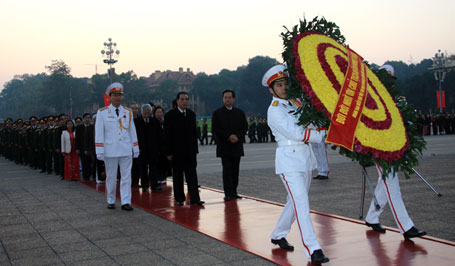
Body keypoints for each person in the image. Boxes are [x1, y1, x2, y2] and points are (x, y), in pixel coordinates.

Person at [263, 64, 329, 264]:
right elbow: (297, 134)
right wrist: (325, 134)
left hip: (305, 159)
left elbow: (310, 124)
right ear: (271, 89)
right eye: (279, 85)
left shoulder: (296, 102)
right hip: (289, 161)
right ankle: (313, 248)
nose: (284, 88)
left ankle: (278, 233)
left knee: (295, 201)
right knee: (302, 204)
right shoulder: (274, 110)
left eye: (285, 84)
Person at [365, 65, 426, 241]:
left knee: (385, 184)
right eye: (385, 80)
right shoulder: (371, 100)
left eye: (390, 81)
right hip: (379, 149)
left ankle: (372, 216)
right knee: (392, 186)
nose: (388, 84)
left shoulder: (396, 100)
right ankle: (406, 227)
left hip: (393, 147)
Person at [95, 82, 139, 211]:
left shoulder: (128, 112)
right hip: (110, 150)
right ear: (110, 96)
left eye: (120, 95)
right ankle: (111, 200)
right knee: (111, 177)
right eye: (115, 95)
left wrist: (135, 148)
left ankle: (126, 201)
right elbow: (99, 133)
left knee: (126, 177)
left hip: (125, 149)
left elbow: (132, 131)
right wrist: (100, 150)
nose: (118, 97)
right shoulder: (102, 113)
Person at [164, 91, 204, 206]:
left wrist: (195, 151)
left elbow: (193, 135)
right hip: (176, 152)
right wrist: (168, 152)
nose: (185, 101)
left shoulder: (191, 114)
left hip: (189, 152)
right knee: (178, 177)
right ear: (177, 101)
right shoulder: (170, 115)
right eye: (182, 99)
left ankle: (195, 199)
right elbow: (167, 135)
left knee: (192, 177)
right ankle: (179, 198)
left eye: (187, 99)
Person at [211, 89, 248, 201]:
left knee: (235, 171)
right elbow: (215, 129)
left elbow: (244, 127)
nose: (227, 99)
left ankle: (234, 192)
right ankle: (227, 193)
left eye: (229, 97)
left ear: (233, 99)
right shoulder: (217, 113)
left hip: (236, 146)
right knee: (227, 171)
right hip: (224, 146)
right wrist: (228, 136)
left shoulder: (240, 113)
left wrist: (237, 136)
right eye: (225, 97)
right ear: (223, 99)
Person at [134, 104, 163, 192]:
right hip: (141, 149)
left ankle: (154, 185)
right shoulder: (136, 122)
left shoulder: (155, 121)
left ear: (151, 112)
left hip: (153, 149)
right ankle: (144, 185)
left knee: (153, 167)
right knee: (143, 168)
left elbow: (160, 135)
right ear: (141, 112)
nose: (147, 114)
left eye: (148, 113)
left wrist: (159, 148)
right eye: (145, 113)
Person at [76, 113, 96, 181]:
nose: (87, 119)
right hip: (81, 147)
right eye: (86, 118)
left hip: (90, 148)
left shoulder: (92, 127)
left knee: (91, 162)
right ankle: (85, 176)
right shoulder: (79, 127)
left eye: (89, 118)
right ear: (83, 119)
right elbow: (77, 138)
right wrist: (77, 148)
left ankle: (91, 175)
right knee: (84, 163)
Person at [154, 106, 171, 184]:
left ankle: (163, 177)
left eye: (161, 112)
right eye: (158, 112)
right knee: (156, 164)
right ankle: (156, 178)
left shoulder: (165, 123)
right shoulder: (152, 123)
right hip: (156, 147)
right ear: (154, 113)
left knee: (164, 164)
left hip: (164, 147)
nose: (159, 114)